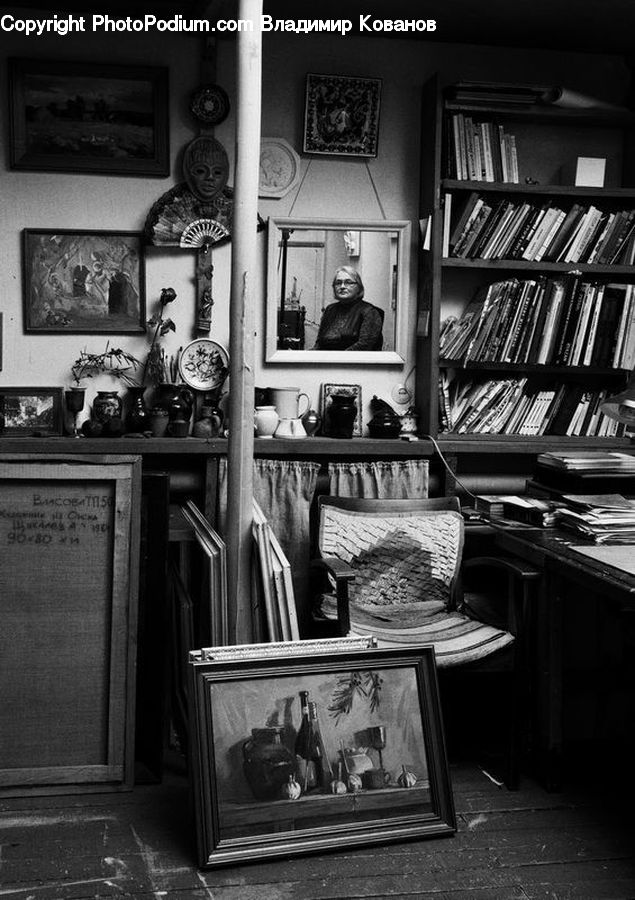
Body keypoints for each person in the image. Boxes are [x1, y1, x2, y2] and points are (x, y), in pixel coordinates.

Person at [313, 267, 383, 351]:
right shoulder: (330, 310)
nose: (342, 286)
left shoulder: (369, 312)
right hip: (328, 361)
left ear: (359, 287)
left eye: (348, 282)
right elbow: (319, 344)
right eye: (338, 283)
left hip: (355, 362)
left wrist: (336, 359)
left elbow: (364, 346)